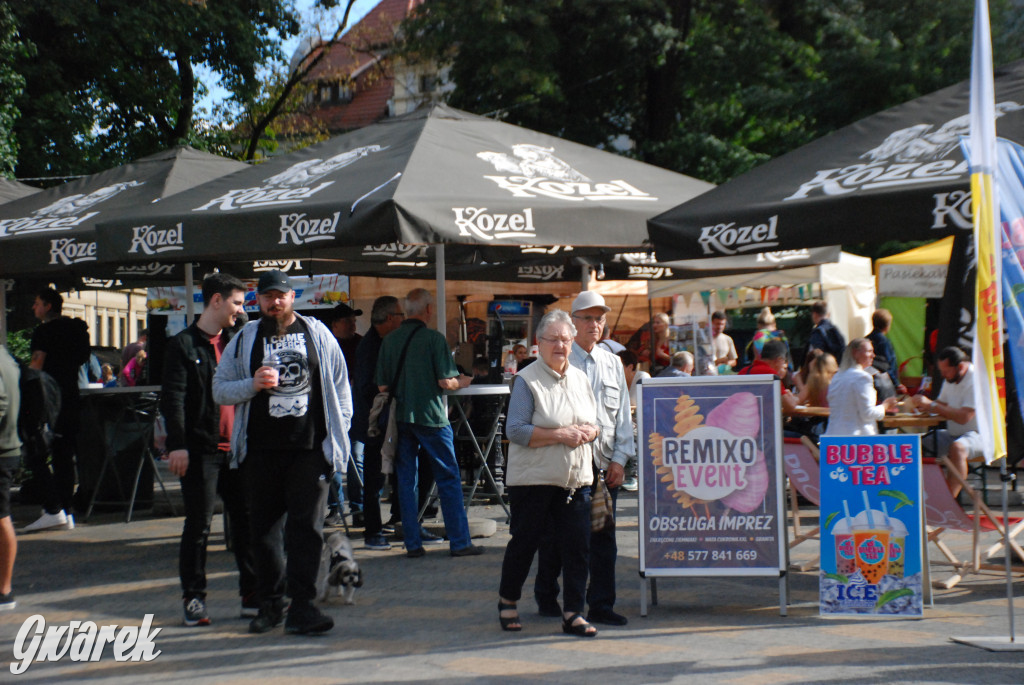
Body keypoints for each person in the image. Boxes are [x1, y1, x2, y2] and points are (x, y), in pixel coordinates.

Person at [212, 269, 352, 636]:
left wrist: (337, 438)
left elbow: (341, 387)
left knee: (306, 531)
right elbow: (220, 389)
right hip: (259, 452)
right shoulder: (244, 339)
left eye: (281, 295)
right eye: (267, 296)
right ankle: (270, 606)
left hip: (309, 450)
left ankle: (302, 608)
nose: (275, 302)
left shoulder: (318, 334)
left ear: (294, 297)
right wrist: (252, 384)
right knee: (264, 533)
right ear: (258, 300)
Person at [535, 291, 634, 626]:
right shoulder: (559, 358)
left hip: (604, 463)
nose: (596, 324)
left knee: (603, 537)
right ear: (573, 323)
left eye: (600, 318)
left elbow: (622, 416)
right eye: (588, 318)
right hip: (566, 465)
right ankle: (547, 594)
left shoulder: (612, 362)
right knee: (559, 536)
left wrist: (620, 459)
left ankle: (601, 604)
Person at [163, 272, 257, 627]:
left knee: (247, 524)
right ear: (216, 301)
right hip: (201, 450)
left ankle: (252, 594)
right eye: (236, 303)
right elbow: (173, 399)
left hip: (238, 449)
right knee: (199, 526)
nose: (241, 310)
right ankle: (194, 599)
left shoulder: (238, 339)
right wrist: (178, 446)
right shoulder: (183, 345)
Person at [498, 310, 599, 638]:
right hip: (534, 480)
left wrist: (590, 432)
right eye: (552, 339)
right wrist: (561, 435)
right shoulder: (527, 379)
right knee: (525, 543)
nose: (560, 345)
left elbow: (595, 423)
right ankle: (508, 600)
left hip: (575, 479)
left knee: (577, 547)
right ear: (538, 344)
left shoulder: (581, 378)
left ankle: (573, 613)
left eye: (565, 340)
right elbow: (515, 429)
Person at [374, 288, 483, 558]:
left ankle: (412, 543)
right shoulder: (434, 339)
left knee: (405, 480)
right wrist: (464, 380)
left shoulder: (390, 340)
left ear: (407, 311)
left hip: (401, 418)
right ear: (428, 310)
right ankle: (459, 542)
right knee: (448, 477)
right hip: (431, 416)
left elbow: (383, 385)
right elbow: (446, 382)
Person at [24, 287, 90, 532]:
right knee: (65, 455)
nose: (34, 307)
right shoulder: (76, 330)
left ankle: (53, 509)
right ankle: (66, 508)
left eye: (37, 303)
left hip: (47, 399)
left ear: (48, 306)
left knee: (38, 452)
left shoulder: (43, 332)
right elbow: (82, 358)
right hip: (71, 396)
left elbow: (37, 364)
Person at [350, 295, 405, 551]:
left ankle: (396, 521)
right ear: (390, 318)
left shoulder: (385, 341)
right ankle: (372, 531)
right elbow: (365, 387)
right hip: (372, 422)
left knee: (390, 474)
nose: (404, 319)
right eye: (401, 315)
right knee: (373, 478)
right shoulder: (370, 346)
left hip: (384, 420)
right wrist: (386, 388)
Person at [911, 346, 983, 497]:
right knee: (916, 446)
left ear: (961, 367)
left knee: (957, 448)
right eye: (941, 371)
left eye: (946, 371)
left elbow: (964, 417)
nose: (943, 375)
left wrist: (931, 405)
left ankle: (950, 501)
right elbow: (941, 404)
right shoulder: (952, 377)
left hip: (979, 435)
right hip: (953, 433)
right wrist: (924, 406)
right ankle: (922, 495)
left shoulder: (976, 380)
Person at [327, 302, 364, 527]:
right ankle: (335, 508)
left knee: (356, 459)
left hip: (357, 413)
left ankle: (358, 508)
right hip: (332, 412)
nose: (352, 324)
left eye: (354, 320)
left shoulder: (361, 344)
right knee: (332, 461)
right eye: (347, 320)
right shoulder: (326, 345)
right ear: (335, 325)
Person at [824, 340, 897, 437]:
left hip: (834, 437)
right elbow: (868, 413)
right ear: (855, 353)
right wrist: (885, 406)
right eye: (869, 351)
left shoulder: (837, 376)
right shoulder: (863, 378)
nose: (873, 355)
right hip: (857, 440)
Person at [0, 346, 21, 610]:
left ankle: (4, 591)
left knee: (1, 517)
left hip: (1, 450)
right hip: (7, 448)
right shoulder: (5, 356)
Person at [616, 349, 648, 492]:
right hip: (626, 420)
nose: (615, 370)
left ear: (630, 367)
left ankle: (633, 476)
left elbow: (641, 404)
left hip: (643, 423)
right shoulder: (617, 382)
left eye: (619, 366)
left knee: (631, 432)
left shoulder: (642, 377)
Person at [738, 339, 798, 414]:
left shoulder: (743, 371)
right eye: (783, 361)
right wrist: (791, 398)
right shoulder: (771, 375)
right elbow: (790, 406)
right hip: (763, 422)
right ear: (778, 360)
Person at [866, 309, 907, 395]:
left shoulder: (865, 340)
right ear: (887, 326)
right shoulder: (885, 342)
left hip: (866, 379)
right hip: (883, 382)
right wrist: (897, 384)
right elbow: (889, 365)